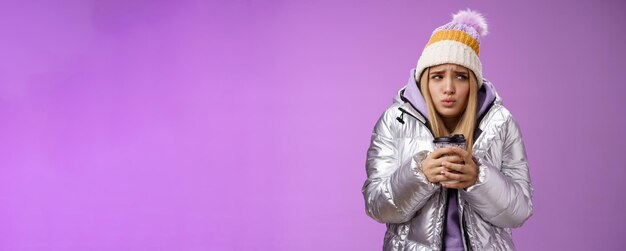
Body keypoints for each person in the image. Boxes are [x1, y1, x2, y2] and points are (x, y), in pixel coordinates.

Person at [362, 9, 533, 251]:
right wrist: (419, 175)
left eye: (461, 77)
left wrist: (479, 179)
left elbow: (520, 211)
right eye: (438, 76)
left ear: (474, 82)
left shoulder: (500, 123)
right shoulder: (395, 121)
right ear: (424, 81)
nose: (449, 88)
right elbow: (377, 206)